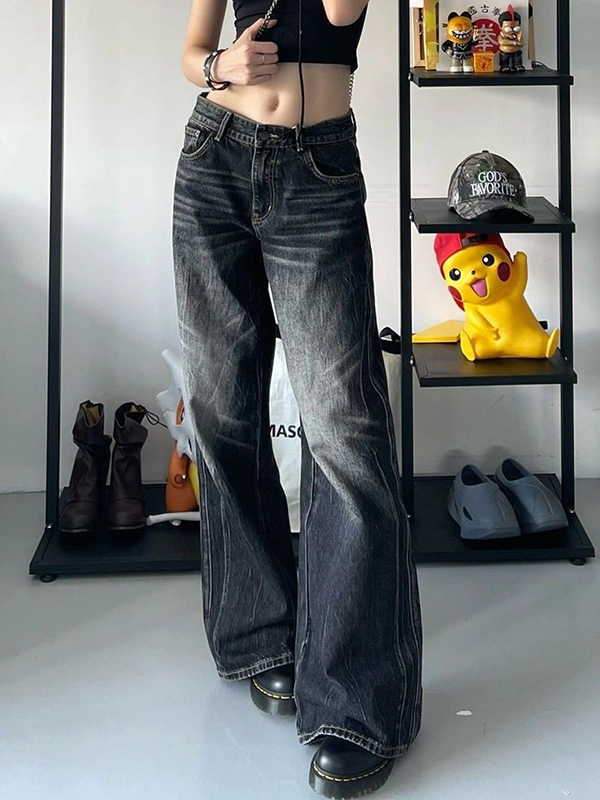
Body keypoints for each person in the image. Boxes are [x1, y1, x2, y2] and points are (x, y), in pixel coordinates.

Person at [171, 0, 423, 796]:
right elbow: (193, 49)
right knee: (223, 414)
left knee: (345, 433)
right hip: (213, 156)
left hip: (317, 170)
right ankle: (258, 635)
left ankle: (358, 703)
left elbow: (341, 10)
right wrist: (218, 67)